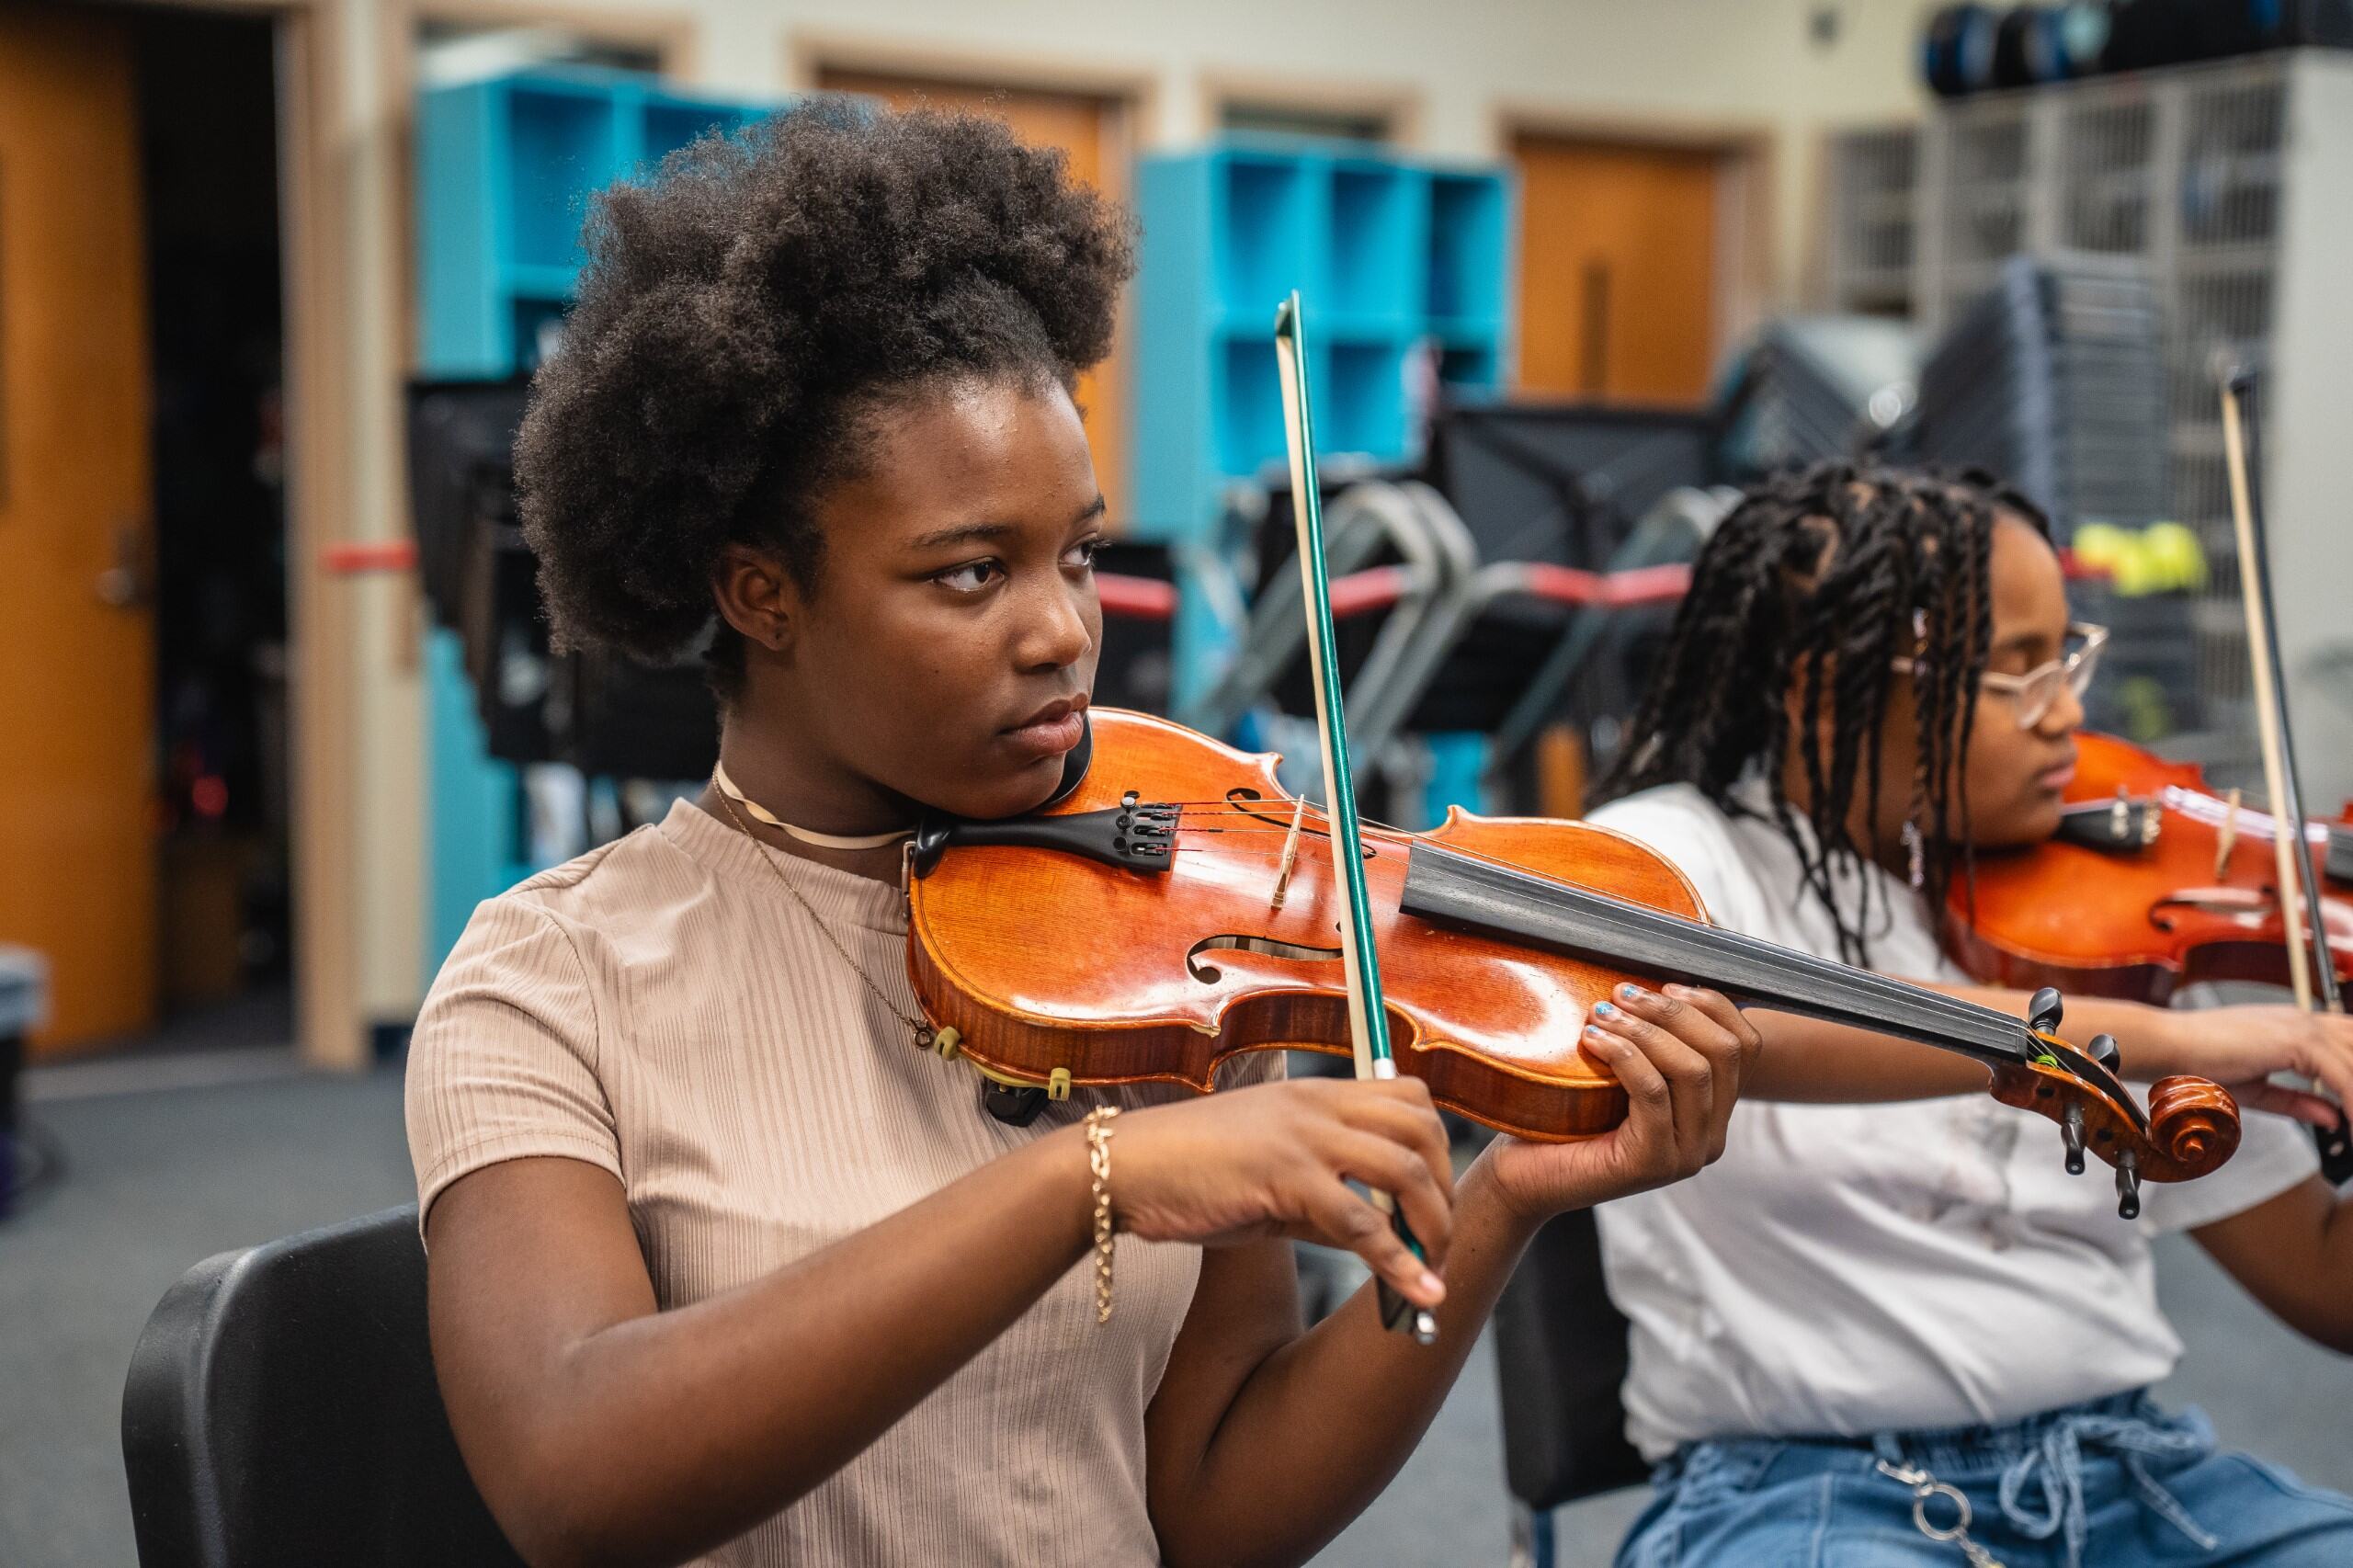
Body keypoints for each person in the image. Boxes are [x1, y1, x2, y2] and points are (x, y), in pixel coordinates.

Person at [404, 101, 1759, 1568]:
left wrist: (1502, 1203)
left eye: (1082, 555)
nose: (1064, 629)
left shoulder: (1163, 935)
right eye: (971, 571)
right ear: (760, 592)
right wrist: (1079, 1179)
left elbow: (1212, 1507)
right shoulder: (548, 979)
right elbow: (571, 1476)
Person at [1586, 461, 2353, 1568]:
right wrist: (2187, 1038)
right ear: (1823, 685)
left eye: (2067, 658)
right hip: (1807, 1494)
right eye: (2016, 674)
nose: (2069, 714)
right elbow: (1743, 1017)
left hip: (2129, 1472)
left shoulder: (2117, 904)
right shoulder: (1669, 854)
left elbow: (2323, 1281)